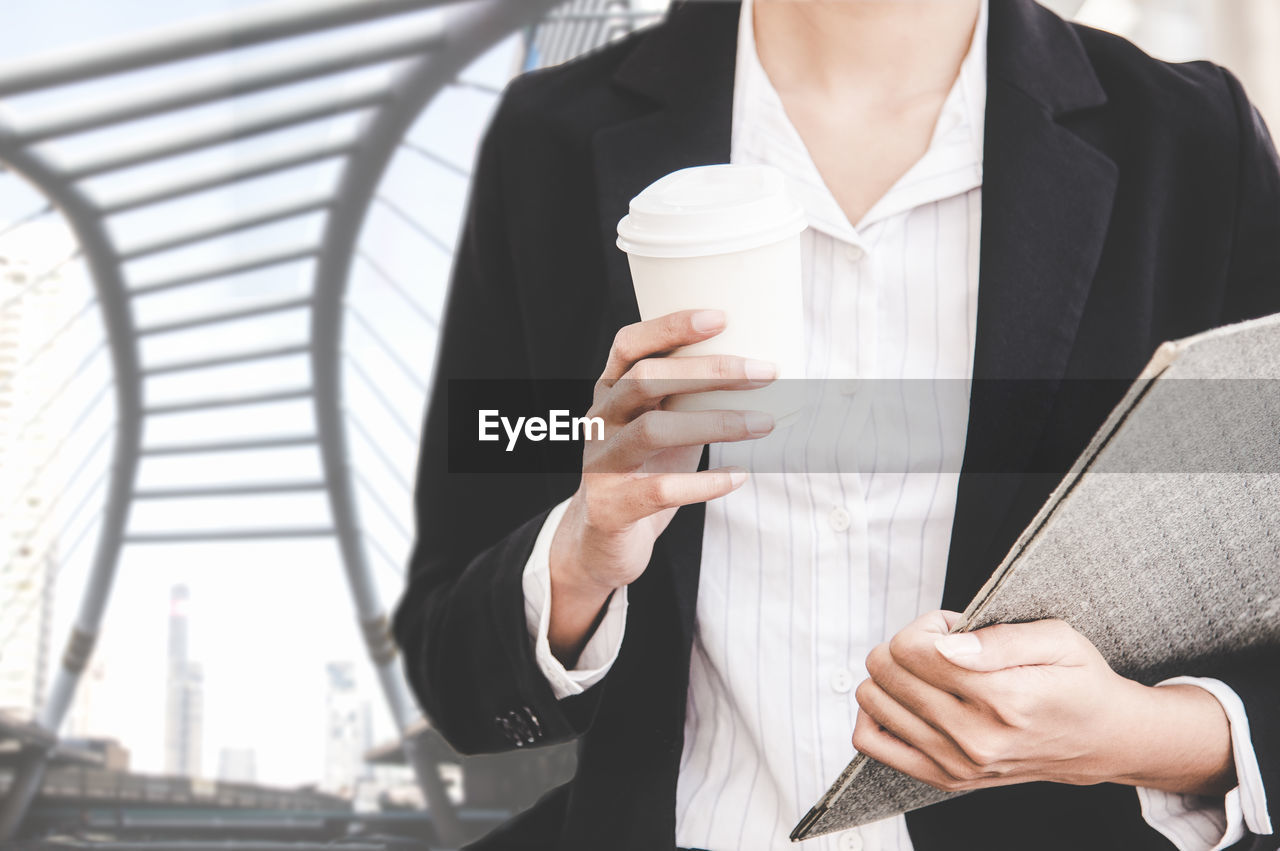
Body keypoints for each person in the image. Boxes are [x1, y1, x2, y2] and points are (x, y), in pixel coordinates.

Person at [391, 0, 1280, 849]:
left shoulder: (1190, 145)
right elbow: (453, 662)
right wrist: (582, 555)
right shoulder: (553, 140)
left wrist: (1144, 735)